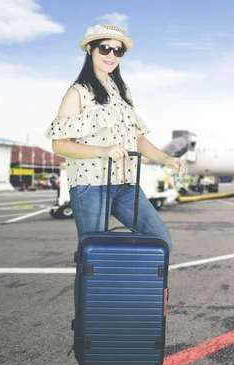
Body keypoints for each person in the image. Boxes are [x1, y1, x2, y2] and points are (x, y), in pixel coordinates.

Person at [45, 23, 184, 251]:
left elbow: (137, 139)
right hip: (91, 185)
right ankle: (102, 284)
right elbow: (59, 144)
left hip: (126, 183)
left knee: (160, 241)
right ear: (90, 50)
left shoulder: (122, 92)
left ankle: (129, 285)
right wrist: (102, 150)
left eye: (118, 50)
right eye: (104, 48)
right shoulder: (77, 92)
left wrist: (166, 159)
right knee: (94, 253)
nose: (111, 55)